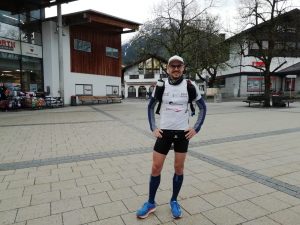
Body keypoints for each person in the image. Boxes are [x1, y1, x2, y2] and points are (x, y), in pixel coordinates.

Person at [136, 55, 207, 219]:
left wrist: (196, 128)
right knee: (156, 168)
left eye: (179, 66)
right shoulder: (161, 86)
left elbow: (203, 107)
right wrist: (153, 127)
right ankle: (151, 203)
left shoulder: (190, 86)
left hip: (182, 134)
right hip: (164, 133)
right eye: (172, 66)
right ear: (167, 68)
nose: (176, 69)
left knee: (179, 168)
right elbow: (150, 107)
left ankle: (174, 201)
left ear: (183, 68)